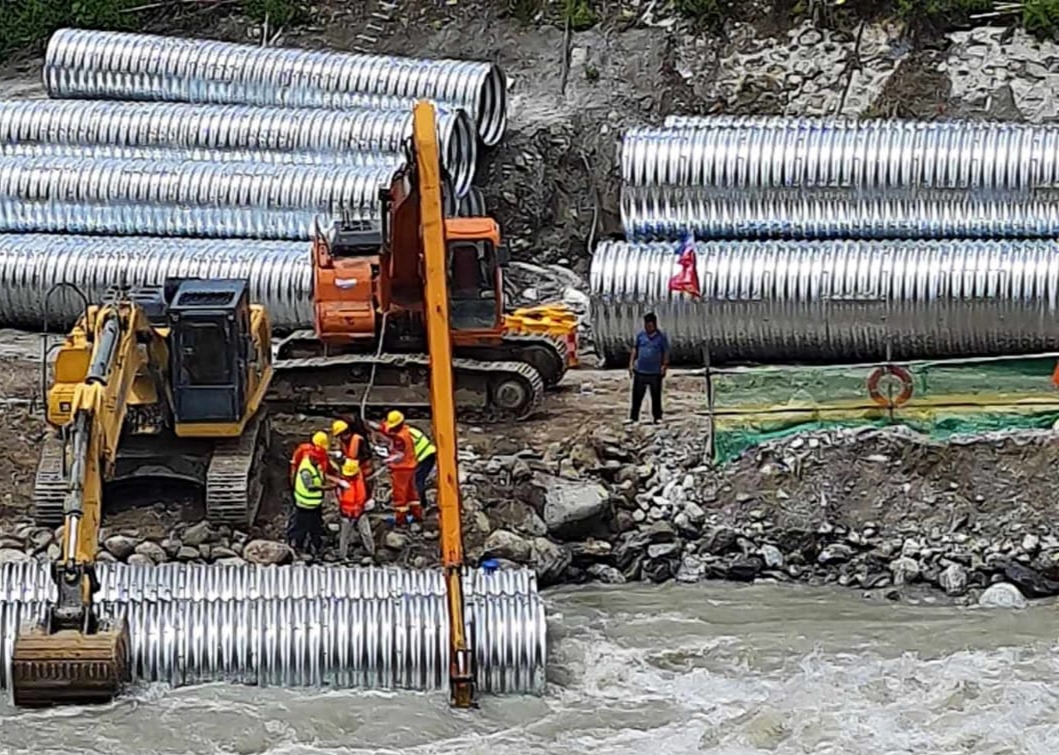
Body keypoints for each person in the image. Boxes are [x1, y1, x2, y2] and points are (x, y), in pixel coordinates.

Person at [377, 409, 436, 525]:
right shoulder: (405, 430)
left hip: (416, 460)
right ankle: (417, 513)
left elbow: (400, 455)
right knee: (412, 491)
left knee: (403, 493)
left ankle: (402, 518)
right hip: (412, 464)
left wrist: (388, 460)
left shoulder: (402, 437)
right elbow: (385, 429)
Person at [289, 439, 333, 556]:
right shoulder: (306, 470)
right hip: (305, 504)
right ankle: (298, 546)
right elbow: (310, 486)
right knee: (302, 526)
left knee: (316, 526)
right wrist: (327, 488)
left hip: (314, 504)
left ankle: (316, 545)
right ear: (313, 458)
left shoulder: (314, 464)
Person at [628, 312, 669, 424]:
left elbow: (665, 352)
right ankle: (633, 417)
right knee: (637, 396)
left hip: (655, 372)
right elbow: (635, 349)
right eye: (646, 325)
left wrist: (664, 366)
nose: (648, 327)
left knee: (656, 396)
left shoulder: (661, 337)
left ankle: (657, 417)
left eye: (650, 325)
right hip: (640, 371)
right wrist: (631, 364)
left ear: (654, 324)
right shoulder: (641, 336)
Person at [335, 458, 373, 560]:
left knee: (366, 533)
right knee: (344, 536)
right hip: (346, 513)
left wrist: (369, 500)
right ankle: (342, 556)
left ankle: (371, 553)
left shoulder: (362, 480)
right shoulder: (341, 483)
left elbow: (368, 491)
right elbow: (339, 496)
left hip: (360, 511)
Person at [332, 414, 374, 495]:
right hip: (351, 470)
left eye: (340, 435)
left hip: (363, 469)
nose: (339, 438)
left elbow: (365, 455)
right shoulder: (344, 441)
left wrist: (352, 461)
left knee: (365, 489)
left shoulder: (357, 439)